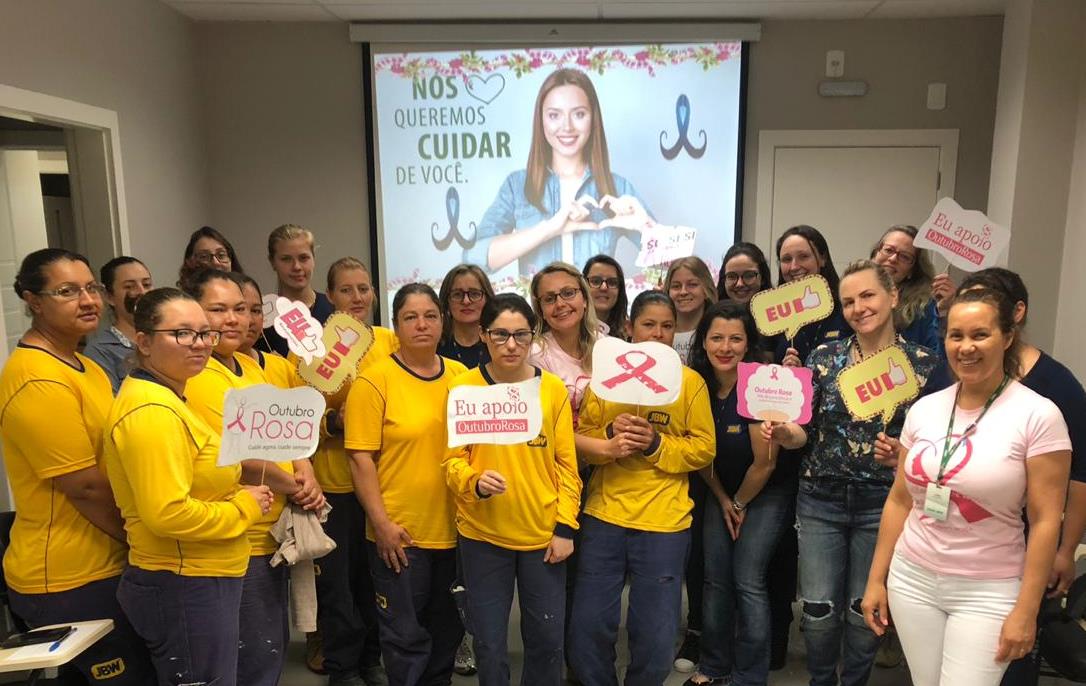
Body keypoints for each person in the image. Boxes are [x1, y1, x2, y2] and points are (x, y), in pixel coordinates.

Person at [861, 286, 1071, 686]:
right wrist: (876, 579)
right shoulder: (925, 409)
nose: (966, 347)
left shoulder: (1038, 416)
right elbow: (900, 501)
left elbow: (1046, 520)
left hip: (988, 588)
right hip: (912, 578)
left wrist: (1027, 610)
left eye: (980, 334)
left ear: (1007, 337)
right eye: (956, 335)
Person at [767, 260, 938, 686]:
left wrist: (902, 455)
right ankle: (821, 680)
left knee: (866, 609)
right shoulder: (823, 358)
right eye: (848, 302)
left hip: (884, 503)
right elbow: (803, 432)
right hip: (820, 499)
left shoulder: (923, 366)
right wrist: (786, 433)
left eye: (867, 296)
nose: (858, 308)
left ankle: (855, 681)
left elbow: (935, 447)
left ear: (893, 296)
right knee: (818, 610)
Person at [0, 248, 154, 685]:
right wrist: (141, 539)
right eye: (67, 291)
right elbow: (84, 486)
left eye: (90, 288)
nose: (87, 301)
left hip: (106, 562)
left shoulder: (86, 367)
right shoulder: (36, 378)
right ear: (33, 301)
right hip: (69, 576)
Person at [105, 286, 273, 685]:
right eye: (182, 333)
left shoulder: (172, 397)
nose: (199, 344)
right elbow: (168, 514)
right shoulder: (152, 411)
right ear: (144, 341)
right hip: (183, 581)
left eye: (204, 333)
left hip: (201, 576)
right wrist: (244, 507)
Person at [182, 268, 324, 686]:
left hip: (268, 532)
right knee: (250, 658)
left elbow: (286, 434)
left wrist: (306, 470)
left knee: (268, 648)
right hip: (236, 538)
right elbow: (239, 457)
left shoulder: (248, 365)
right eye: (218, 310)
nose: (233, 319)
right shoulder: (200, 377)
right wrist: (297, 488)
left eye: (242, 309)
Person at [569, 290, 716, 685]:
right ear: (630, 328)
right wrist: (609, 436)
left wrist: (656, 444)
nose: (658, 333)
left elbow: (704, 449)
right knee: (588, 624)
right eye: (649, 324)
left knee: (656, 632)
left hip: (665, 521)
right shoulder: (605, 381)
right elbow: (581, 442)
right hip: (604, 514)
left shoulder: (689, 382)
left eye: (667, 326)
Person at [950, 268, 1086, 686]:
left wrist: (1065, 549)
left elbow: (1080, 477)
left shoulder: (1056, 387)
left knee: (1012, 654)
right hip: (952, 549)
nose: (968, 343)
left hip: (1023, 546)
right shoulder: (951, 372)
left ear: (1014, 316)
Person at [443, 293, 582, 685]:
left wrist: (565, 527)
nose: (511, 345)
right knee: (488, 642)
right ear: (483, 335)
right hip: (483, 534)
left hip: (543, 534)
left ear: (532, 336)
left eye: (521, 335)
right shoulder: (463, 387)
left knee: (547, 640)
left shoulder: (551, 389)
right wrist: (474, 482)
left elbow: (567, 467)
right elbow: (451, 462)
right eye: (500, 334)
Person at [345, 283, 468, 686]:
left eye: (430, 316)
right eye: (410, 317)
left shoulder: (462, 378)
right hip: (401, 534)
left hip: (457, 530)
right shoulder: (374, 380)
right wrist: (381, 524)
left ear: (443, 322)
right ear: (396, 326)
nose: (421, 324)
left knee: (447, 633)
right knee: (404, 638)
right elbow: (360, 459)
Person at [684, 301, 794, 686]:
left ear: (748, 344)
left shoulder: (760, 383)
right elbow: (698, 452)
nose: (725, 347)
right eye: (716, 338)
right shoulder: (696, 383)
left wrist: (739, 503)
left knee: (747, 578)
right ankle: (714, 667)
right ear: (703, 341)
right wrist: (722, 498)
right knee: (715, 579)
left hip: (765, 492)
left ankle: (749, 676)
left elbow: (765, 464)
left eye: (735, 338)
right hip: (722, 492)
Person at [468, 68, 652, 275]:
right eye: (554, 115)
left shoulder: (617, 187)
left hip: (594, 298)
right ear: (541, 120)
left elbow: (672, 271)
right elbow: (474, 259)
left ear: (593, 119)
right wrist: (551, 228)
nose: (567, 127)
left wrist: (646, 226)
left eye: (579, 114)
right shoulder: (517, 186)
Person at [311, 257, 396, 686]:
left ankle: (371, 659)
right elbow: (297, 419)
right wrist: (336, 421)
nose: (357, 297)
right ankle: (342, 666)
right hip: (335, 483)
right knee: (338, 583)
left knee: (375, 577)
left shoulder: (390, 340)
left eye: (364, 288)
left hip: (384, 481)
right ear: (331, 297)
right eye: (346, 290)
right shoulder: (312, 349)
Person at [528, 261, 600, 426]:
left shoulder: (604, 345)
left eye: (568, 293)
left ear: (585, 300)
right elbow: (548, 430)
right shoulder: (536, 354)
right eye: (549, 299)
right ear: (541, 311)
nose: (560, 304)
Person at [773, 225, 852, 366]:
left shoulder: (846, 306)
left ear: (823, 258)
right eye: (786, 259)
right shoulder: (773, 316)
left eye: (803, 257)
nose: (794, 266)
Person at [259, 223, 335, 356]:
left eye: (303, 258)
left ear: (313, 258)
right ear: (272, 262)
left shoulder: (335, 309)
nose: (296, 267)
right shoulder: (262, 319)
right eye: (286, 259)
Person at [83, 255, 153, 393]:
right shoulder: (100, 351)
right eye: (129, 286)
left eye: (146, 284)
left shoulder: (166, 337)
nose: (142, 292)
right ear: (109, 296)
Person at [870, 225, 943, 355]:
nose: (893, 259)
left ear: (912, 271)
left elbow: (937, 357)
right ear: (876, 253)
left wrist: (944, 313)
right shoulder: (851, 295)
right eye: (888, 250)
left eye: (904, 257)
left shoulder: (924, 308)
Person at [237, 274, 297, 389]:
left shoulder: (283, 367)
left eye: (256, 310)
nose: (249, 320)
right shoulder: (205, 368)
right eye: (239, 309)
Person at [437, 263, 495, 370]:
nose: (466, 301)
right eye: (457, 294)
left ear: (488, 298)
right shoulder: (435, 346)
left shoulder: (499, 343)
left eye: (474, 294)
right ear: (446, 301)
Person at [667, 256, 718, 364]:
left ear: (706, 289)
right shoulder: (659, 332)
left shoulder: (719, 331)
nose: (683, 292)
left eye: (692, 285)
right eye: (676, 286)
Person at [177, 225, 244, 290]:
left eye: (221, 255)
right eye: (204, 257)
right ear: (189, 263)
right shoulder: (181, 298)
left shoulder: (246, 294)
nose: (216, 262)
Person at [583, 254, 629, 338]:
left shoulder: (629, 333)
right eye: (595, 281)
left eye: (612, 282)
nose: (603, 288)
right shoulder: (571, 332)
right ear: (583, 285)